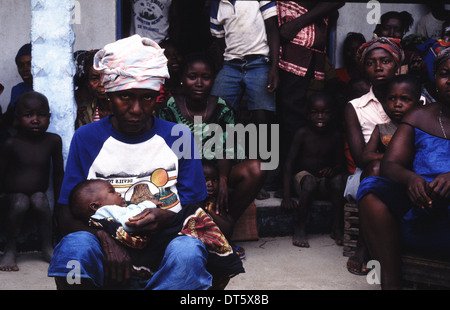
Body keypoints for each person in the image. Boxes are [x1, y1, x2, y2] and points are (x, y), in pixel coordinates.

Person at [48, 35, 243, 290]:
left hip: (165, 246)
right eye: (125, 97)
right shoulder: (87, 139)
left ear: (156, 98)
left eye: (147, 98)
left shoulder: (178, 137)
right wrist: (105, 240)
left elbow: (192, 210)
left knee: (188, 251)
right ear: (109, 96)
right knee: (73, 251)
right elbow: (65, 215)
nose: (137, 109)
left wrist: (165, 217)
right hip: (106, 250)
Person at [356, 48, 450, 289]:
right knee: (371, 188)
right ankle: (391, 282)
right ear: (435, 80)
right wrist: (411, 180)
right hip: (420, 212)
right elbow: (390, 165)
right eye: (444, 73)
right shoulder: (419, 116)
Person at [158, 52, 267, 239]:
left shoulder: (222, 108)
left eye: (206, 77)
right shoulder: (169, 107)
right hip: (182, 176)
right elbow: (163, 152)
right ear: (183, 79)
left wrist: (223, 179)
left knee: (257, 168)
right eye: (192, 77)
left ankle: (222, 227)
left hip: (216, 173)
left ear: (213, 80)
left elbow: (230, 148)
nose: (199, 83)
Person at [343, 37, 404, 275]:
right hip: (365, 174)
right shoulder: (355, 106)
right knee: (376, 171)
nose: (378, 67)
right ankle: (363, 246)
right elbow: (360, 158)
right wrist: (392, 159)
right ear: (363, 67)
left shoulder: (415, 100)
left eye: (386, 61)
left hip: (405, 170)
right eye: (371, 62)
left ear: (396, 64)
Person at [275, 1, 344, 193]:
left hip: (300, 46)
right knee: (280, 111)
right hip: (281, 45)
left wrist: (296, 24)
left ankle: (293, 177)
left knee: (293, 113)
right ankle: (285, 175)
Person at [0, 91, 64, 271]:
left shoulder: (53, 141)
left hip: (37, 194)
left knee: (39, 199)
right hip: (11, 198)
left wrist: (60, 203)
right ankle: (10, 249)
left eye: (41, 115)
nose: (35, 119)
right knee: (20, 201)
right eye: (28, 115)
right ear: (18, 118)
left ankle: (47, 246)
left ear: (49, 117)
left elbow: (59, 174)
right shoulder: (11, 143)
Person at [281, 92, 346, 248]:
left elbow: (340, 164)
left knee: (338, 181)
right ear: (308, 114)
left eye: (325, 113)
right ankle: (300, 226)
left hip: (323, 181)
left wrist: (333, 170)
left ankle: (337, 227)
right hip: (303, 180)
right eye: (315, 113)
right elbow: (289, 164)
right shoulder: (302, 134)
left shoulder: (336, 135)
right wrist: (287, 196)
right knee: (309, 181)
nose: (320, 116)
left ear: (332, 114)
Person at [209, 0, 279, 126]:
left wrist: (274, 67)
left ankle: (264, 146)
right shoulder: (217, 4)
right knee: (216, 112)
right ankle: (225, 145)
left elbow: (273, 29)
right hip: (231, 65)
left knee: (263, 118)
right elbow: (219, 40)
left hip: (260, 63)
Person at [360, 74, 423, 180]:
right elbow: (365, 157)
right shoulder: (381, 129)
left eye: (405, 99)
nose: (397, 104)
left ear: (419, 104)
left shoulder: (423, 129)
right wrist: (390, 158)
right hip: (389, 177)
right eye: (392, 98)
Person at [75, 49, 112, 129]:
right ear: (88, 81)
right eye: (95, 78)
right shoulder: (84, 110)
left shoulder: (125, 107)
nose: (101, 84)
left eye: (106, 77)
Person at [4, 43, 34, 130]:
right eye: (21, 65)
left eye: (29, 64)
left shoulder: (49, 90)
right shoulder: (17, 90)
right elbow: (8, 119)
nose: (25, 69)